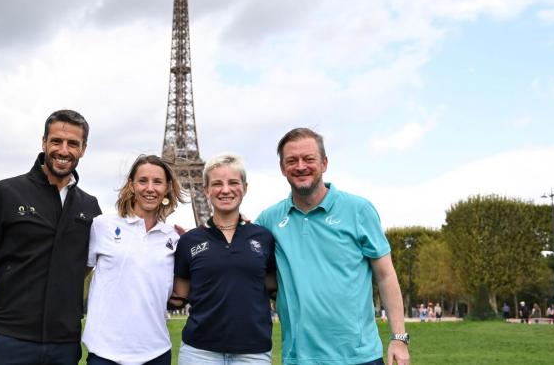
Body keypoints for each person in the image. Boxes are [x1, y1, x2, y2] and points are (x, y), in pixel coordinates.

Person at [255, 128, 409, 365]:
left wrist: (399, 338)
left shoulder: (358, 210)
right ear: (282, 168)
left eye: (309, 159)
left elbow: (386, 275)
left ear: (324, 163)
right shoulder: (269, 220)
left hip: (359, 357)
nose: (301, 166)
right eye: (292, 160)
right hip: (299, 358)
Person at [0, 109, 102, 365]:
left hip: (64, 347)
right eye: (56, 141)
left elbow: (91, 266)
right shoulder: (5, 193)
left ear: (83, 149)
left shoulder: (90, 207)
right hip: (7, 343)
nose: (63, 150)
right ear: (43, 142)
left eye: (73, 143)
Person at [172, 154, 276, 365]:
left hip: (252, 352)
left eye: (233, 183)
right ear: (206, 190)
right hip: (199, 353)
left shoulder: (264, 237)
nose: (225, 190)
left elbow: (273, 288)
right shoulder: (188, 241)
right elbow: (178, 297)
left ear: (245, 188)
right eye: (217, 183)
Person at [82, 154, 183, 365]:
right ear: (131, 185)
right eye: (143, 181)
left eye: (157, 182)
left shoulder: (173, 238)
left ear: (167, 188)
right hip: (105, 352)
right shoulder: (102, 226)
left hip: (155, 351)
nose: (150, 188)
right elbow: (78, 274)